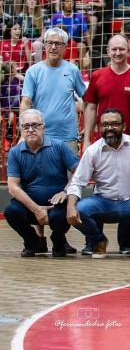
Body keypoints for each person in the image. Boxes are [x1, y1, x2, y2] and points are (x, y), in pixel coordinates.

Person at [66, 108, 130, 259]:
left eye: (115, 124)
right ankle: (98, 240)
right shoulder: (92, 151)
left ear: (124, 127)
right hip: (103, 202)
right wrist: (70, 206)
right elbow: (77, 182)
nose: (109, 128)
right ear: (99, 127)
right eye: (105, 124)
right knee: (79, 209)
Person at [5, 109, 80, 257]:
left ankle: (58, 242)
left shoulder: (59, 146)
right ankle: (32, 242)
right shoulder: (15, 152)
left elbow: (79, 171)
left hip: (56, 205)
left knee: (61, 215)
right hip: (30, 206)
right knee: (11, 212)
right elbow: (13, 187)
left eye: (35, 125)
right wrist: (37, 209)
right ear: (21, 129)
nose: (30, 130)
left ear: (43, 128)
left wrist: (65, 191)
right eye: (26, 126)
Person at [20, 27, 86, 153]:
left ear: (65, 47)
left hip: (68, 136)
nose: (53, 47)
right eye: (50, 42)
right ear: (45, 45)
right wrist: (24, 132)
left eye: (58, 44)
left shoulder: (73, 70)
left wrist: (88, 127)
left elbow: (87, 100)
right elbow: (25, 102)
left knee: (68, 173)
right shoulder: (33, 71)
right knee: (41, 173)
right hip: (40, 136)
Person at [83, 34, 130, 149]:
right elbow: (91, 108)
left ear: (129, 51)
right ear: (108, 51)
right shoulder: (97, 76)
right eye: (114, 49)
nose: (118, 53)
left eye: (122, 49)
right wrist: (87, 140)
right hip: (104, 140)